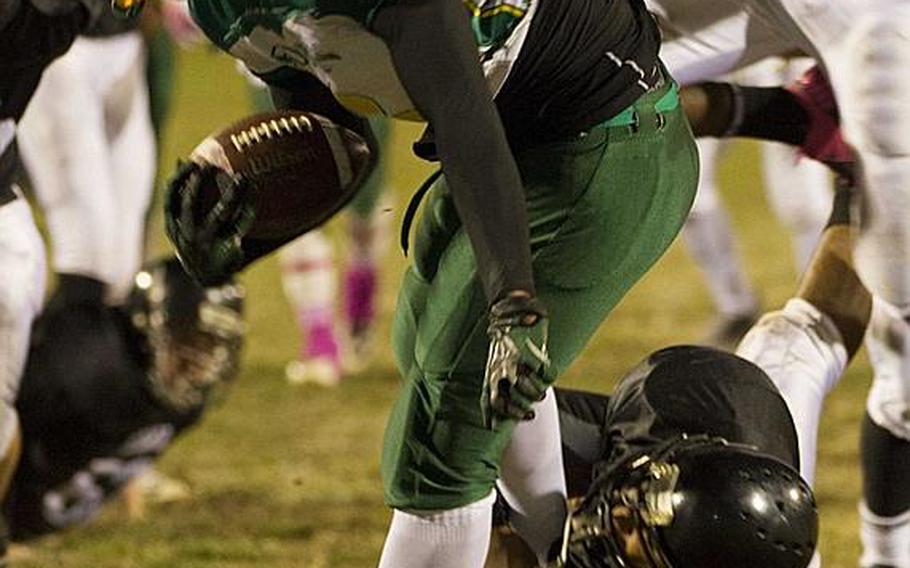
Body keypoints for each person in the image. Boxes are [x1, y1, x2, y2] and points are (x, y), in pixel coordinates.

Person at [161, 0, 700, 564]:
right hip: (516, 139)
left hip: (602, 142)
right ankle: (558, 551)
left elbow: (460, 111)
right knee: (435, 352)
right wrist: (242, 240)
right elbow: (329, 139)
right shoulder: (220, 7)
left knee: (441, 436)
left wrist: (512, 300)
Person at [489, 179, 867, 567]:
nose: (616, 517)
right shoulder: (747, 414)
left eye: (637, 535)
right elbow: (815, 330)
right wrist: (859, 179)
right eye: (633, 511)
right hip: (692, 418)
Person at [5, 257, 245, 541]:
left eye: (210, 349)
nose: (197, 367)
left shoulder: (184, 403)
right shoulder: (87, 372)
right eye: (186, 345)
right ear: (148, 325)